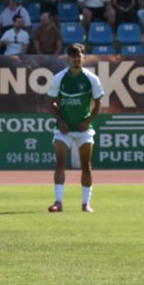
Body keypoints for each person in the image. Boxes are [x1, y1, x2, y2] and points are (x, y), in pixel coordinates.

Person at [47, 43, 104, 214]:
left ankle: (86, 203)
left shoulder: (91, 78)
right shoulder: (59, 78)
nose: (76, 59)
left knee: (86, 165)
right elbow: (50, 102)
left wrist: (88, 120)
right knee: (60, 164)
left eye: (79, 56)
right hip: (63, 129)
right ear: (68, 59)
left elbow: (98, 102)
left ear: (82, 58)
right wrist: (60, 121)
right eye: (73, 57)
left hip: (83, 130)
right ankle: (58, 202)